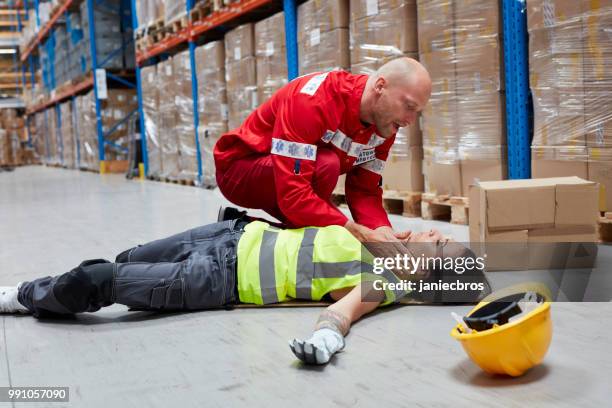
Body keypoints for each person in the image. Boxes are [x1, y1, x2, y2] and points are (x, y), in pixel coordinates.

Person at [0, 217, 486, 365]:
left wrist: (326, 340)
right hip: (231, 234)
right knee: (126, 258)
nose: (425, 232)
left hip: (219, 279)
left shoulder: (390, 281)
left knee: (97, 281)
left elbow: (346, 310)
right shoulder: (384, 237)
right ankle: (37, 294)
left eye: (436, 242)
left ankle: (21, 297)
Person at [214, 57, 432, 243]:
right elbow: (294, 194)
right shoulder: (312, 101)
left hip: (295, 180)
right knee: (326, 168)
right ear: (380, 86)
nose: (410, 120)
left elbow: (365, 191)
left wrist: (381, 230)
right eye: (409, 107)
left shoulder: (384, 126)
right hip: (239, 171)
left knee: (328, 225)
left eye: (417, 112)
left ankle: (239, 227)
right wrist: (353, 231)